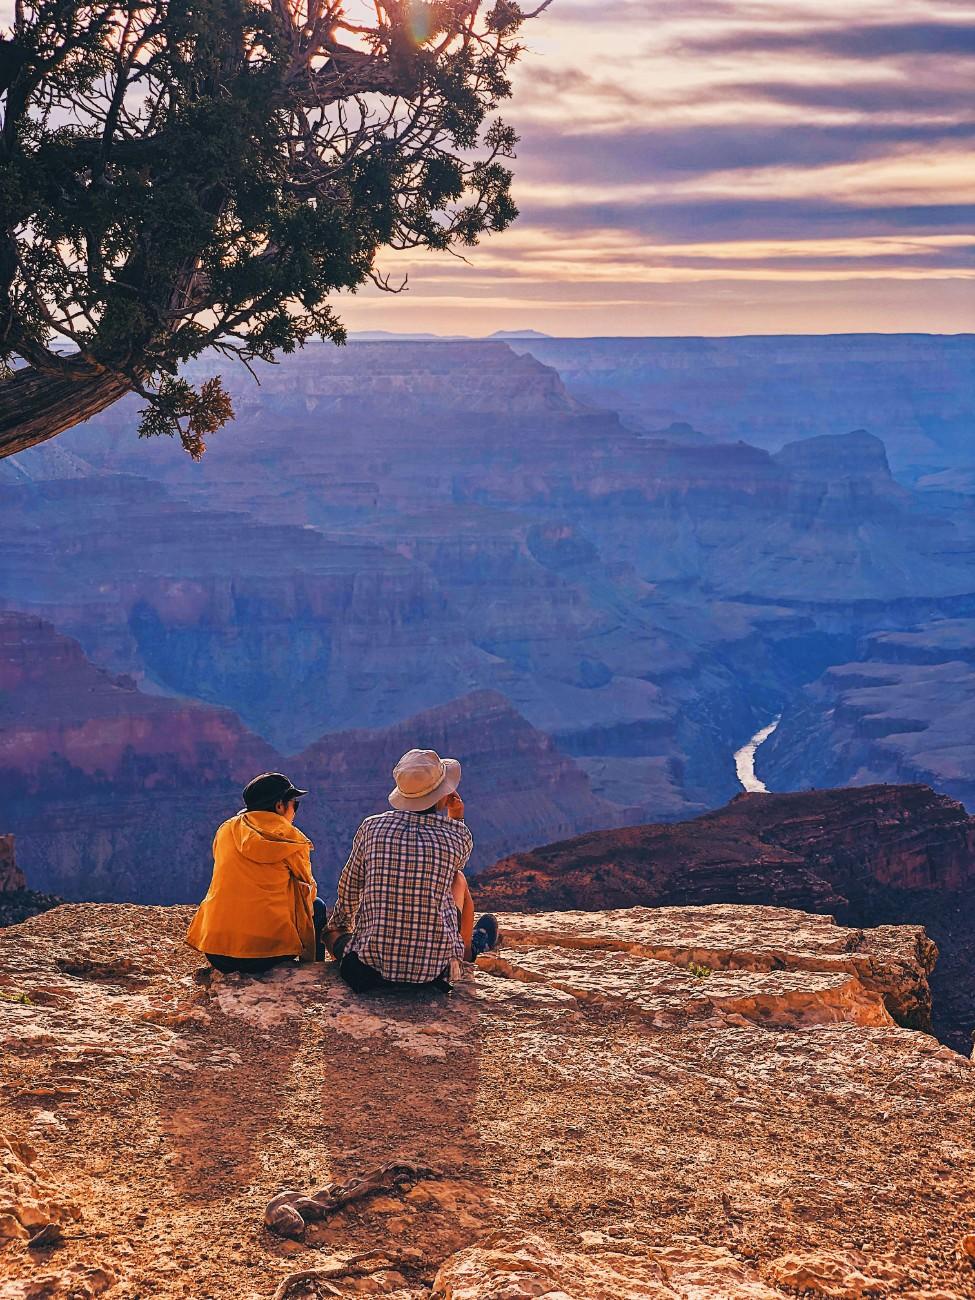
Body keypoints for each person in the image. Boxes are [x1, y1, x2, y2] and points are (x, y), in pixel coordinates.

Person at [324, 749, 499, 993]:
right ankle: (468, 950)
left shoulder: (372, 827)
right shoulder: (455, 834)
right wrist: (457, 819)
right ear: (442, 793)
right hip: (434, 977)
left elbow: (351, 884)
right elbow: (455, 862)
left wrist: (340, 925)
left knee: (332, 934)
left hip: (367, 974)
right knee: (457, 878)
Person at [186, 772, 321, 975]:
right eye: (294, 804)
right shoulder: (290, 838)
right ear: (279, 806)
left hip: (217, 954)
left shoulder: (226, 829)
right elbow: (306, 891)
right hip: (266, 955)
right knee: (318, 907)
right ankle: (315, 973)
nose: (295, 810)